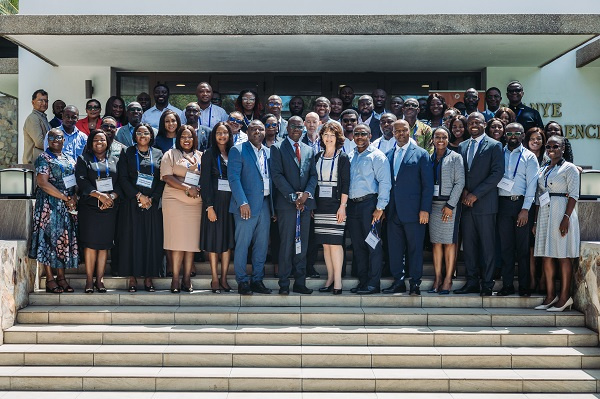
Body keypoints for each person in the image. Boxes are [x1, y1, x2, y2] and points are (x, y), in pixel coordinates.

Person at [454, 112, 504, 296]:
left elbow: (496, 174)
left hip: (485, 205)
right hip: (466, 206)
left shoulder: (495, 145)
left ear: (484, 124)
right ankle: (472, 282)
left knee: (487, 246)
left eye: (477, 122)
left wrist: (475, 194)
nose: (473, 125)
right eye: (470, 123)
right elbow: (460, 172)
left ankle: (488, 284)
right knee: (469, 246)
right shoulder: (462, 146)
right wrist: (464, 191)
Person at [383, 119, 433, 295]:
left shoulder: (421, 154)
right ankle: (398, 282)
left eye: (404, 130)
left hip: (414, 212)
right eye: (397, 131)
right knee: (395, 249)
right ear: (393, 133)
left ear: (409, 131)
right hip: (392, 211)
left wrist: (425, 209)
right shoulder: (388, 155)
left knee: (415, 249)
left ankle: (415, 283)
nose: (400, 133)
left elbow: (428, 185)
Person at [271, 116, 318, 295]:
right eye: (293, 126)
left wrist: (305, 195)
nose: (297, 129)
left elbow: (313, 175)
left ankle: (300, 282)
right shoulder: (277, 148)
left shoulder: (308, 150)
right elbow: (276, 175)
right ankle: (284, 283)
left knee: (303, 245)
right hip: (286, 205)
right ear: (287, 128)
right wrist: (293, 197)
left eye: (300, 126)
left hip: (305, 205)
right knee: (286, 245)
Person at [29, 127, 79, 294]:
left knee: (63, 241)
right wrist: (65, 198)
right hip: (49, 205)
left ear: (64, 140)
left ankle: (62, 277)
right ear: (47, 141)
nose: (56, 140)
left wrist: (73, 198)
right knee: (49, 240)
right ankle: (50, 279)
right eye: (52, 138)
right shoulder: (44, 158)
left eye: (59, 138)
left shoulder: (69, 158)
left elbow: (73, 180)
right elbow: (43, 183)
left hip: (67, 206)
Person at [533, 135, 580, 312]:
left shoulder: (570, 168)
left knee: (562, 255)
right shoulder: (544, 167)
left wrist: (566, 218)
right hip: (545, 212)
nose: (551, 149)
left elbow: (574, 195)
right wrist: (536, 220)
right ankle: (550, 296)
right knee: (547, 255)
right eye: (549, 146)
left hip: (561, 211)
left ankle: (564, 297)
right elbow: (539, 195)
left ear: (563, 148)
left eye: (556, 146)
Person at [117, 123, 165, 292]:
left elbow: (162, 179)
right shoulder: (127, 152)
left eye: (146, 133)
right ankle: (132, 278)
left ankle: (149, 277)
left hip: (152, 205)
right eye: (139, 133)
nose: (142, 135)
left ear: (151, 136)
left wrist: (153, 198)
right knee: (132, 240)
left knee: (151, 240)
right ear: (135, 136)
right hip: (132, 204)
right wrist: (139, 196)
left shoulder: (159, 153)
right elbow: (122, 178)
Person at [228, 120, 274, 295]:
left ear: (265, 132)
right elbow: (234, 179)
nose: (257, 131)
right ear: (247, 132)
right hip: (245, 205)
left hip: (265, 204)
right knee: (243, 244)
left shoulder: (269, 152)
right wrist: (243, 202)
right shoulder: (237, 150)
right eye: (253, 128)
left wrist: (273, 209)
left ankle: (257, 280)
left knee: (261, 245)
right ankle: (242, 281)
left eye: (260, 129)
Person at [75, 129, 121, 293]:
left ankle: (100, 280)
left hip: (109, 208)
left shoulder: (115, 160)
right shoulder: (83, 159)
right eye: (96, 140)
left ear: (108, 142)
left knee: (104, 245)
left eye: (102, 140)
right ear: (90, 143)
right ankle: (89, 280)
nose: (99, 142)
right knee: (90, 245)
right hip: (90, 208)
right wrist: (99, 196)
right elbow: (82, 182)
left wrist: (111, 197)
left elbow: (120, 184)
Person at [347, 124, 391, 294]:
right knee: (358, 246)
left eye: (363, 134)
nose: (359, 136)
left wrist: (380, 207)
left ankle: (373, 284)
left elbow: (385, 183)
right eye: (356, 133)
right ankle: (363, 282)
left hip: (370, 206)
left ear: (370, 135)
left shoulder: (377, 156)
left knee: (373, 245)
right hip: (353, 206)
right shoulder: (351, 156)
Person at [496, 123, 539, 297]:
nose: (513, 135)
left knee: (522, 249)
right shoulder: (498, 153)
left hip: (521, 204)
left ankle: (524, 286)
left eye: (517, 133)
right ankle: (507, 286)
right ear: (505, 135)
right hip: (502, 205)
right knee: (506, 247)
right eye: (509, 132)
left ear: (523, 136)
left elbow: (532, 185)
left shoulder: (529, 157)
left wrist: (525, 209)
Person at [160, 125, 202, 293]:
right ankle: (175, 278)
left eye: (190, 137)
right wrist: (186, 187)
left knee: (190, 242)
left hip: (195, 203)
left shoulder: (201, 156)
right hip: (174, 201)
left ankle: (187, 278)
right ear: (178, 139)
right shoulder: (170, 154)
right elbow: (167, 177)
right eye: (183, 136)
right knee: (176, 241)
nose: (186, 140)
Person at [427, 126, 465, 295]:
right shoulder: (429, 157)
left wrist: (450, 205)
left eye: (443, 137)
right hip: (433, 206)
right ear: (433, 140)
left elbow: (460, 183)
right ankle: (437, 278)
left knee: (449, 243)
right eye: (437, 137)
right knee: (436, 243)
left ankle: (448, 279)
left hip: (449, 206)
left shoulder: (455, 157)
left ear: (448, 139)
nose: (440, 140)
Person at [314, 122, 350, 295]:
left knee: (335, 244)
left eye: (332, 135)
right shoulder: (317, 156)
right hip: (320, 205)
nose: (328, 138)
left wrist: (343, 207)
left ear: (338, 138)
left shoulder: (342, 157)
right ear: (321, 137)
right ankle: (329, 278)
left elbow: (346, 185)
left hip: (336, 205)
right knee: (326, 245)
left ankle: (338, 281)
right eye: (326, 134)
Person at [200, 122, 235, 293]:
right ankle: (214, 277)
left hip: (230, 204)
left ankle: (224, 278)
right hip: (214, 203)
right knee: (214, 242)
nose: (222, 136)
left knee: (227, 242)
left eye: (225, 133)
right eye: (219, 133)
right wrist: (209, 206)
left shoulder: (234, 153)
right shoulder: (208, 154)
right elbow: (204, 183)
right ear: (214, 135)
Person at [23, 89, 51, 164]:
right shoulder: (33, 118)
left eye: (46, 101)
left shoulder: (42, 117)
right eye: (40, 100)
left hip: (42, 162)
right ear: (33, 102)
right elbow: (40, 143)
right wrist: (56, 148)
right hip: (34, 163)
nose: (44, 103)